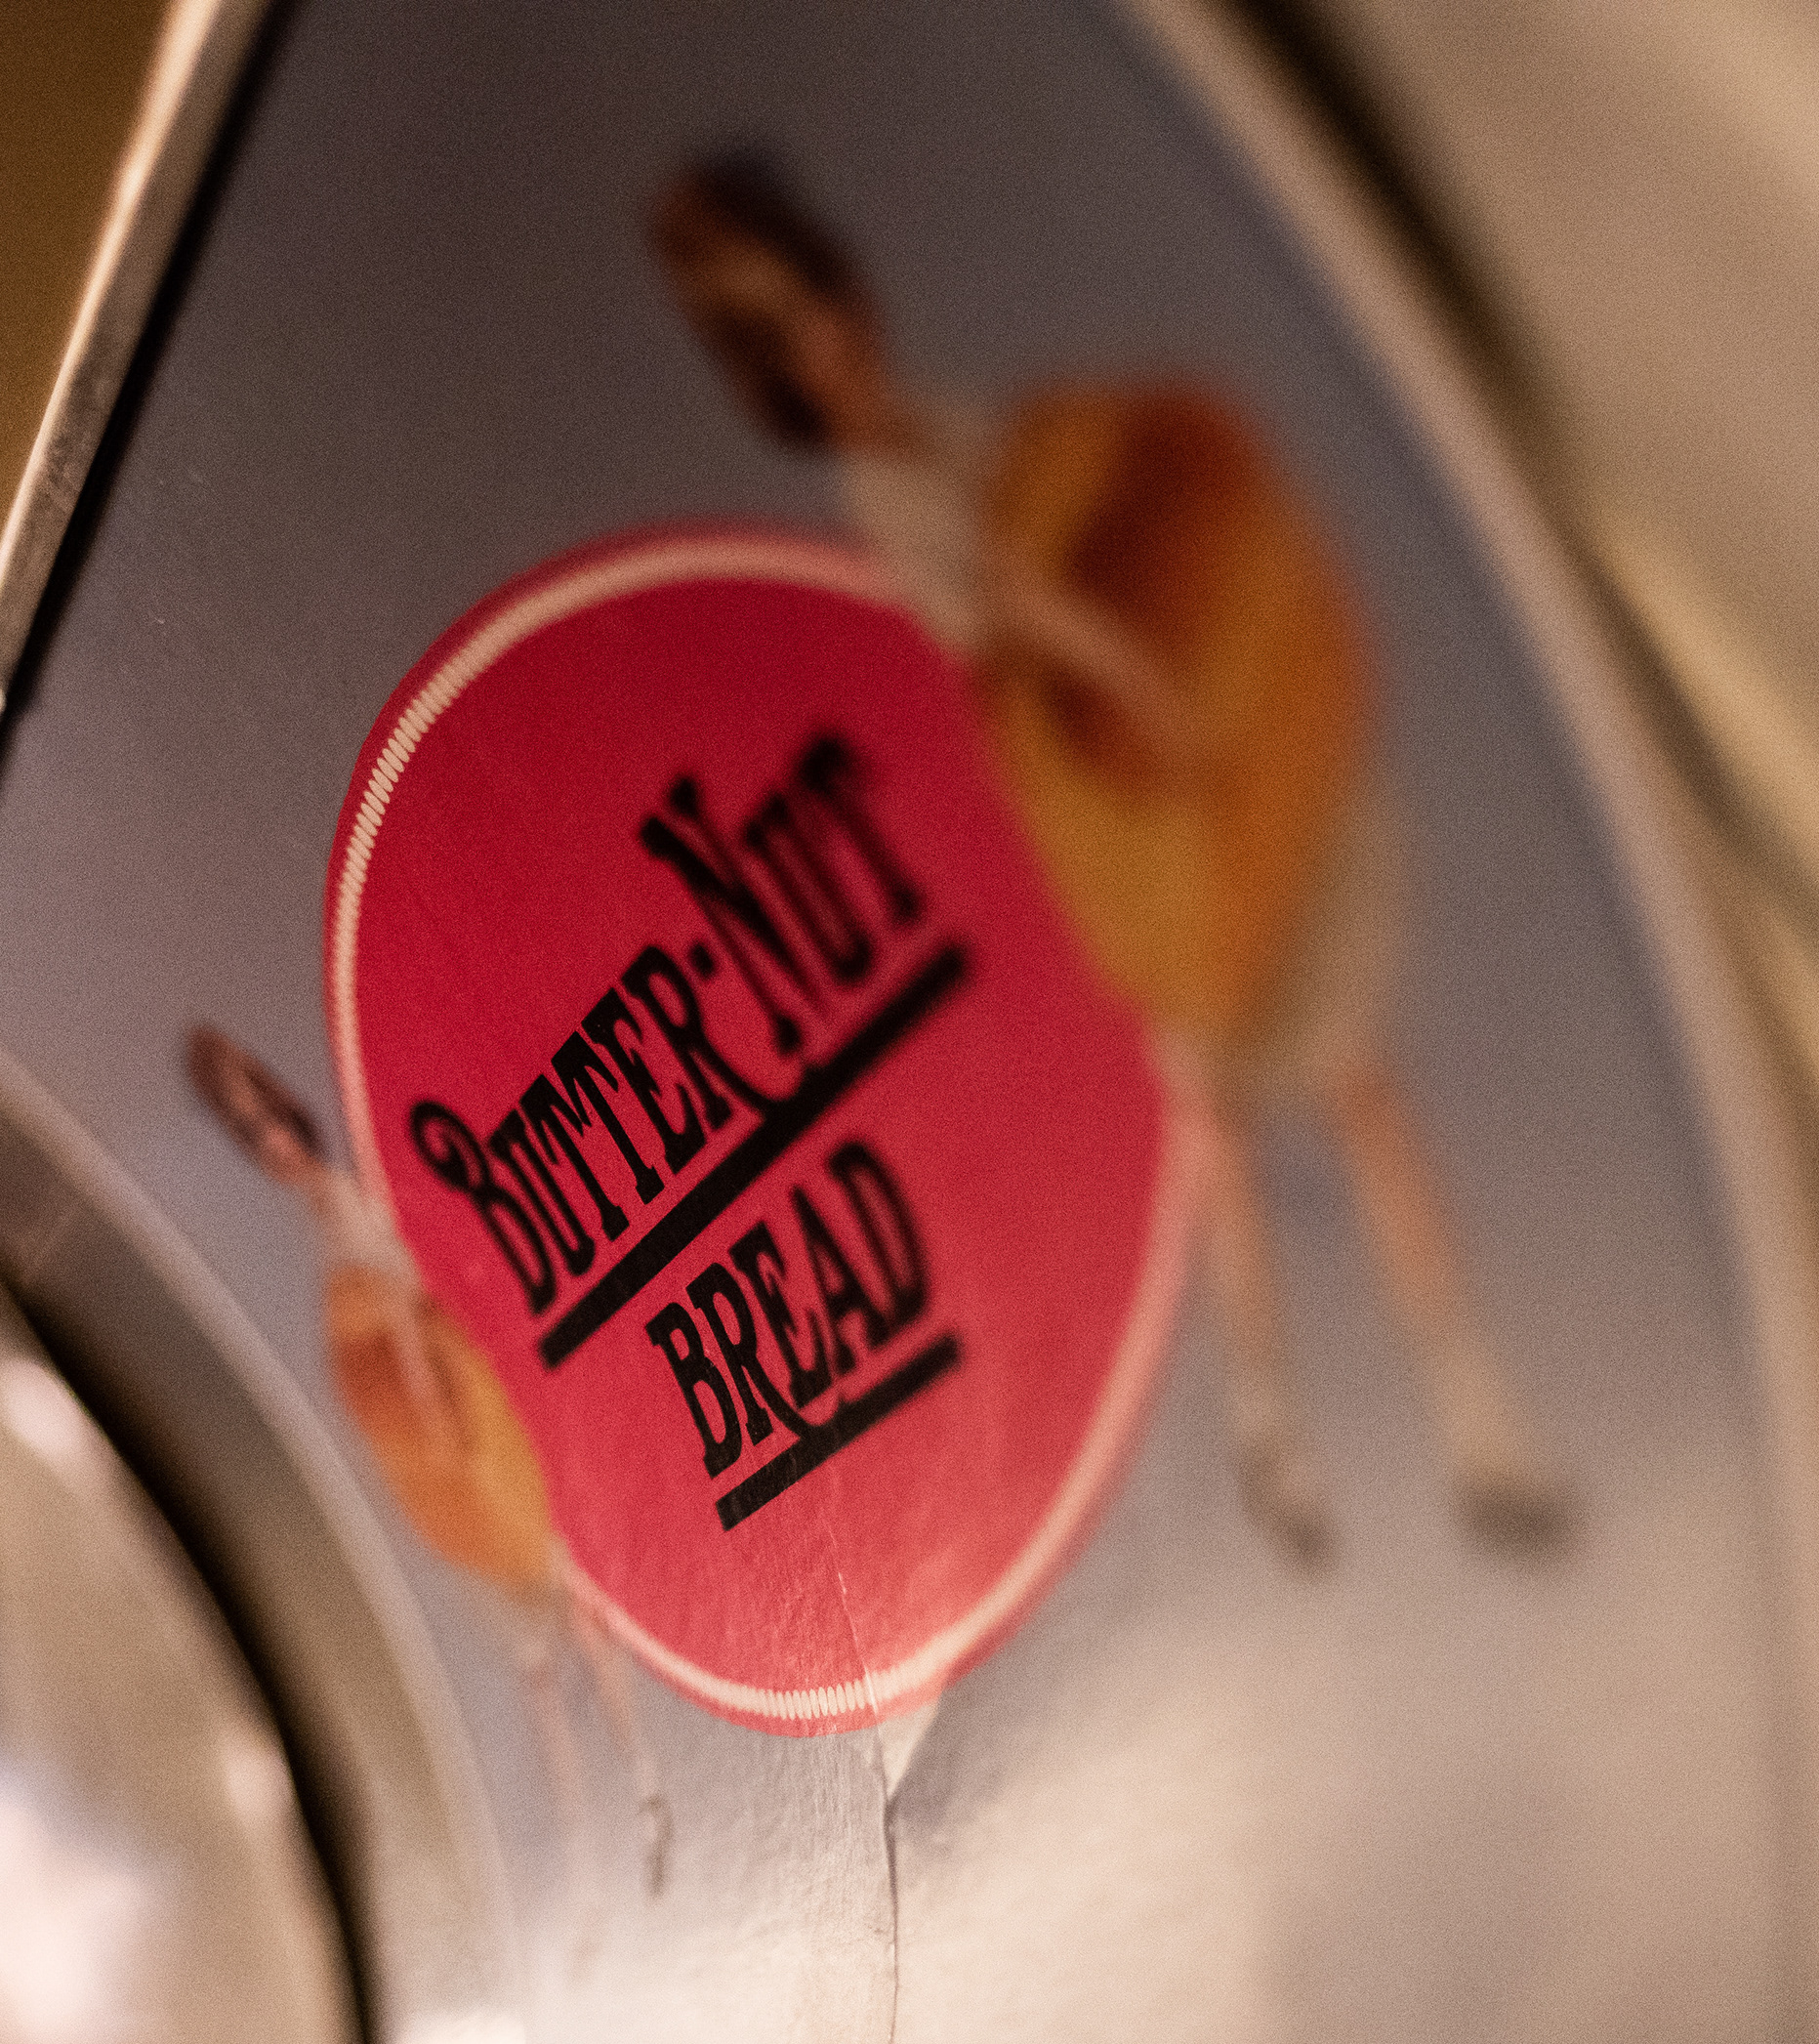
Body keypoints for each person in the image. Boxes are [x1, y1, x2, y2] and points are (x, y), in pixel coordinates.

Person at [651, 153, 1567, 1562]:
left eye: (822, 302)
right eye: (790, 338)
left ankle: (1474, 1410)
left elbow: (1098, 507)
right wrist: (1145, 685)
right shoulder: (886, 504)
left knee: (1351, 1080)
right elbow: (1020, 619)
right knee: (1222, 1136)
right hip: (1113, 835)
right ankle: (1273, 1435)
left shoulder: (965, 424)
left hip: (1178, 775)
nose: (831, 341)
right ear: (775, 377)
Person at [186, 1024, 673, 1893]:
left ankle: (647, 1790)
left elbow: (436, 1295)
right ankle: (589, 1860)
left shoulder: (364, 1192)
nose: (277, 1145)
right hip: (432, 1466)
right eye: (254, 1136)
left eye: (275, 1121)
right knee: (532, 1662)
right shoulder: (320, 1229)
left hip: (478, 1428)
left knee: (578, 1608)